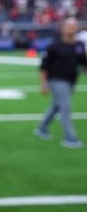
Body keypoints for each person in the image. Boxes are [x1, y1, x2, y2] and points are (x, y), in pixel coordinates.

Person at [34, 17, 86, 148]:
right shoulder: (54, 45)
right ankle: (70, 138)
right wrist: (44, 83)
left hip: (71, 80)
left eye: (74, 26)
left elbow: (83, 62)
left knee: (56, 106)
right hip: (56, 79)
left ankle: (42, 128)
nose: (71, 28)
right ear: (62, 29)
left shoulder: (79, 45)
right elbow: (44, 66)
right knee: (65, 107)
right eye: (68, 26)